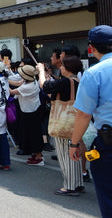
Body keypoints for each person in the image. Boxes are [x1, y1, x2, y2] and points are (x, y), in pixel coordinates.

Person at [70, 25, 112, 217]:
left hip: (108, 142)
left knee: (108, 194)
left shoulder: (94, 73)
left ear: (91, 47)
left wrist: (75, 143)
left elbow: (84, 114)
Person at [39, 56, 83, 195]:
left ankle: (69, 186)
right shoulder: (77, 81)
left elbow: (44, 86)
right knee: (75, 154)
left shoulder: (65, 81)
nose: (60, 68)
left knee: (65, 155)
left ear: (68, 68)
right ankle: (78, 183)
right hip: (76, 121)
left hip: (63, 123)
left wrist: (41, 71)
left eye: (62, 66)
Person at [9, 65, 44, 166]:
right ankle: (36, 154)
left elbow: (12, 91)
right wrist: (5, 79)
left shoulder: (28, 86)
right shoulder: (32, 80)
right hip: (31, 110)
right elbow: (17, 83)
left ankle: (39, 157)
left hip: (30, 112)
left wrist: (1, 81)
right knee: (30, 134)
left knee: (34, 135)